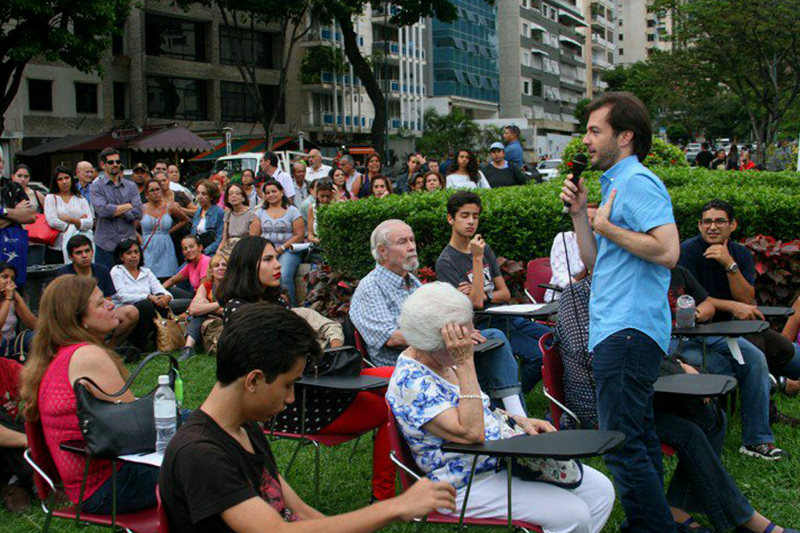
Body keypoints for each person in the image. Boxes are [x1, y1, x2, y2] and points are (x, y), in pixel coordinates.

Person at [159, 301, 454, 532]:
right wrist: (395, 507)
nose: (290, 398)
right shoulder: (200, 453)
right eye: (288, 385)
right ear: (253, 380)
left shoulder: (244, 428)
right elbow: (275, 530)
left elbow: (299, 511)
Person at [553, 278, 799, 533]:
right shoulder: (577, 296)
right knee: (688, 432)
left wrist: (679, 365)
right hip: (599, 407)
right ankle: (744, 520)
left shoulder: (629, 289)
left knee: (710, 416)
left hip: (637, 391)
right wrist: (677, 367)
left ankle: (677, 505)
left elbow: (652, 345)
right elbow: (600, 354)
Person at [387, 281, 614, 533]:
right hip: (464, 481)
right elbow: (472, 433)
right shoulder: (412, 382)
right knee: (574, 515)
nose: (471, 341)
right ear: (434, 341)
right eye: (463, 337)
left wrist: (519, 420)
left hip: (500, 459)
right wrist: (465, 363)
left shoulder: (440, 359)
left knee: (602, 491)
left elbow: (481, 408)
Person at [560, 91, 680, 532]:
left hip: (628, 330)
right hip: (618, 328)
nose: (586, 140)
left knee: (620, 445)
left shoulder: (637, 182)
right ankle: (652, 522)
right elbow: (596, 263)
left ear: (625, 135)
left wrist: (606, 224)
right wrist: (580, 216)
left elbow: (667, 251)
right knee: (640, 437)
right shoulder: (614, 184)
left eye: (595, 131)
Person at [350, 220, 529, 417]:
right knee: (486, 353)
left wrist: (462, 331)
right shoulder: (370, 288)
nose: (411, 247)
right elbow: (391, 337)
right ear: (382, 251)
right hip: (409, 368)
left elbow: (439, 317)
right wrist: (449, 337)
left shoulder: (412, 282)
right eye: (403, 242)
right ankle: (503, 417)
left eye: (412, 240)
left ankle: (513, 415)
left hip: (440, 356)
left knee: (493, 338)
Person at [20, 275, 160, 514]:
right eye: (99, 303)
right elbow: (141, 426)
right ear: (78, 320)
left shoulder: (57, 357)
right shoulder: (86, 356)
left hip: (88, 486)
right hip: (110, 486)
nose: (110, 303)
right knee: (214, 458)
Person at [677, 201, 800, 399]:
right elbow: (691, 301)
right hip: (703, 330)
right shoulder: (687, 252)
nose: (713, 227)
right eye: (707, 222)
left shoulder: (740, 253)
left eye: (719, 221)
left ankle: (771, 381)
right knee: (755, 349)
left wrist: (729, 264)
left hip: (738, 325)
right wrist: (732, 306)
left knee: (784, 348)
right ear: (699, 225)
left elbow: (746, 298)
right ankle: (770, 395)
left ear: (732, 225)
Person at [666, 265, 787, 459]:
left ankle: (757, 439)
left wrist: (695, 314)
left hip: (699, 332)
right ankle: (712, 428)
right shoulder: (639, 275)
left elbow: (707, 304)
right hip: (667, 341)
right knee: (719, 366)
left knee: (754, 357)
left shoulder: (678, 272)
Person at [436, 191, 550, 393]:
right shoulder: (447, 262)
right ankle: (509, 398)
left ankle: (511, 393)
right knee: (538, 356)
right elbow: (476, 305)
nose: (471, 221)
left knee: (554, 339)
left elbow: (504, 293)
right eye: (464, 216)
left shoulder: (483, 248)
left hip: (508, 316)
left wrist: (482, 293)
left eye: (475, 216)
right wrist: (477, 260)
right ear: (450, 219)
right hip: (485, 323)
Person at [57, 235, 139, 349]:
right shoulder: (64, 275)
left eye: (87, 251)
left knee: (131, 312)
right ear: (71, 257)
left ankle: (110, 348)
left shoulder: (102, 270)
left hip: (101, 312)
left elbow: (108, 301)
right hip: (76, 319)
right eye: (79, 253)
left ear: (92, 252)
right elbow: (63, 308)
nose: (84, 256)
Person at [110, 238, 177, 349]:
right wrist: (148, 296)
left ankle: (160, 341)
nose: (134, 256)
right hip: (125, 311)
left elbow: (160, 289)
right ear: (121, 257)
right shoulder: (117, 271)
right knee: (146, 304)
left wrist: (166, 297)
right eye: (129, 253)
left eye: (136, 252)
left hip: (147, 310)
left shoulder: (146, 271)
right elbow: (122, 296)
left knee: (160, 303)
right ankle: (138, 344)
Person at [249, 180, 305, 305]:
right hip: (266, 251)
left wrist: (281, 249)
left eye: (274, 191)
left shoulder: (292, 211)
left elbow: (300, 235)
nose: (271, 195)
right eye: (267, 193)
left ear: (281, 192)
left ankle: (291, 308)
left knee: (283, 276)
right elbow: (254, 235)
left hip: (288, 250)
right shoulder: (260, 212)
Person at [90, 148, 144, 269]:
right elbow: (103, 211)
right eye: (111, 162)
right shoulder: (96, 187)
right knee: (105, 283)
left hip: (128, 245)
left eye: (118, 162)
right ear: (103, 165)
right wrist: (128, 206)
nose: (115, 165)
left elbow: (139, 213)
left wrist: (114, 211)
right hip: (105, 244)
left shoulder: (131, 186)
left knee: (130, 283)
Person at [544, 204, 598, 301]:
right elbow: (561, 277)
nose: (589, 223)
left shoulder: (604, 243)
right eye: (586, 219)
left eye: (594, 220)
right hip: (562, 299)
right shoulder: (564, 239)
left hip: (594, 299)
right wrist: (581, 286)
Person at [180, 253, 227, 361]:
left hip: (227, 320)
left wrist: (206, 307)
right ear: (211, 270)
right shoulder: (206, 285)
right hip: (209, 319)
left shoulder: (233, 285)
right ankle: (188, 349)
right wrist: (219, 304)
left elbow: (232, 310)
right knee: (199, 313)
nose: (221, 268)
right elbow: (193, 309)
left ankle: (189, 347)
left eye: (224, 265)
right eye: (217, 265)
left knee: (202, 311)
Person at [43, 166, 93, 264]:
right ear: (55, 182)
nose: (64, 181)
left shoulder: (80, 199)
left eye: (66, 178)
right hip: (57, 248)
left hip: (79, 249)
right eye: (60, 179)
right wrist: (77, 224)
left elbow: (89, 223)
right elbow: (52, 221)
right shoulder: (51, 198)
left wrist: (70, 219)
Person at [0, 355, 31, 512]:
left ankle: (14, 484)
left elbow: (37, 384)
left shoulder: (8, 367)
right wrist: (30, 441)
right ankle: (34, 481)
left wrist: (33, 402)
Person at [140, 178, 189, 278]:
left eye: (158, 189)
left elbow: (185, 220)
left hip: (166, 246)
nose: (155, 192)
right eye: (152, 190)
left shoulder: (169, 207)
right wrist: (139, 238)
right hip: (148, 246)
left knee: (168, 276)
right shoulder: (141, 209)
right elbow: (131, 228)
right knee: (147, 276)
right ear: (146, 194)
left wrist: (169, 232)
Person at [0, 154, 36, 288]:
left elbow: (31, 216)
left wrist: (5, 212)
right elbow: (22, 215)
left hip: (14, 251)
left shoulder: (14, 187)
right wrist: (16, 212)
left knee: (15, 292)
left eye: (0, 161)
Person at [0, 263, 36, 359]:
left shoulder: (13, 299)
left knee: (36, 336)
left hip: (12, 343)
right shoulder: (8, 298)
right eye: (4, 277)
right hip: (1, 343)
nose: (9, 282)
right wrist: (8, 299)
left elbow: (34, 326)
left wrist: (18, 299)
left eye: (12, 278)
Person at [163, 235, 211, 307]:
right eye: (185, 248)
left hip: (204, 300)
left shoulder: (206, 261)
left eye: (191, 246)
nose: (188, 250)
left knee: (172, 304)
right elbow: (172, 281)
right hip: (194, 296)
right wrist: (158, 292)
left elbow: (203, 291)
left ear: (200, 247)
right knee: (169, 290)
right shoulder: (190, 264)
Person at [219, 182, 255, 256]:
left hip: (244, 249)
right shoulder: (228, 214)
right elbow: (224, 239)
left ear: (243, 198)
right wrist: (218, 253)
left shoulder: (251, 214)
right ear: (227, 199)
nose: (234, 196)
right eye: (230, 194)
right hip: (229, 248)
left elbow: (252, 240)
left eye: (237, 193)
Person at [190, 179, 224, 256]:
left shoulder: (219, 212)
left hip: (211, 253)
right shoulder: (198, 211)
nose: (199, 197)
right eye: (198, 193)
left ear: (212, 196)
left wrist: (203, 252)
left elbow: (220, 239)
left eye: (204, 194)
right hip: (196, 252)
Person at [307, 180, 335, 245]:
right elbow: (310, 235)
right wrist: (314, 239)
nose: (325, 200)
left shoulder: (339, 205)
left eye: (328, 196)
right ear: (317, 195)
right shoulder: (312, 208)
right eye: (322, 196)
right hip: (318, 245)